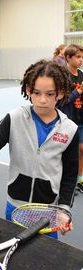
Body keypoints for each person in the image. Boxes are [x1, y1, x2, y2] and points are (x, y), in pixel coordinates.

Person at [0, 59, 79, 238]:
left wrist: (63, 209)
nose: (42, 100)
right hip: (15, 207)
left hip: (48, 211)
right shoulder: (15, 118)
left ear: (61, 93)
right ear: (28, 90)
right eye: (36, 92)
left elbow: (70, 175)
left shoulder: (70, 129)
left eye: (50, 94)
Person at [59, 44, 83, 193]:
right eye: (78, 57)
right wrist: (78, 91)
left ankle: (80, 179)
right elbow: (62, 100)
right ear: (68, 58)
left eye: (82, 57)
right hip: (68, 120)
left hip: (81, 119)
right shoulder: (63, 76)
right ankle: (65, 181)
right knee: (67, 153)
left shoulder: (81, 74)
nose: (81, 60)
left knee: (82, 149)